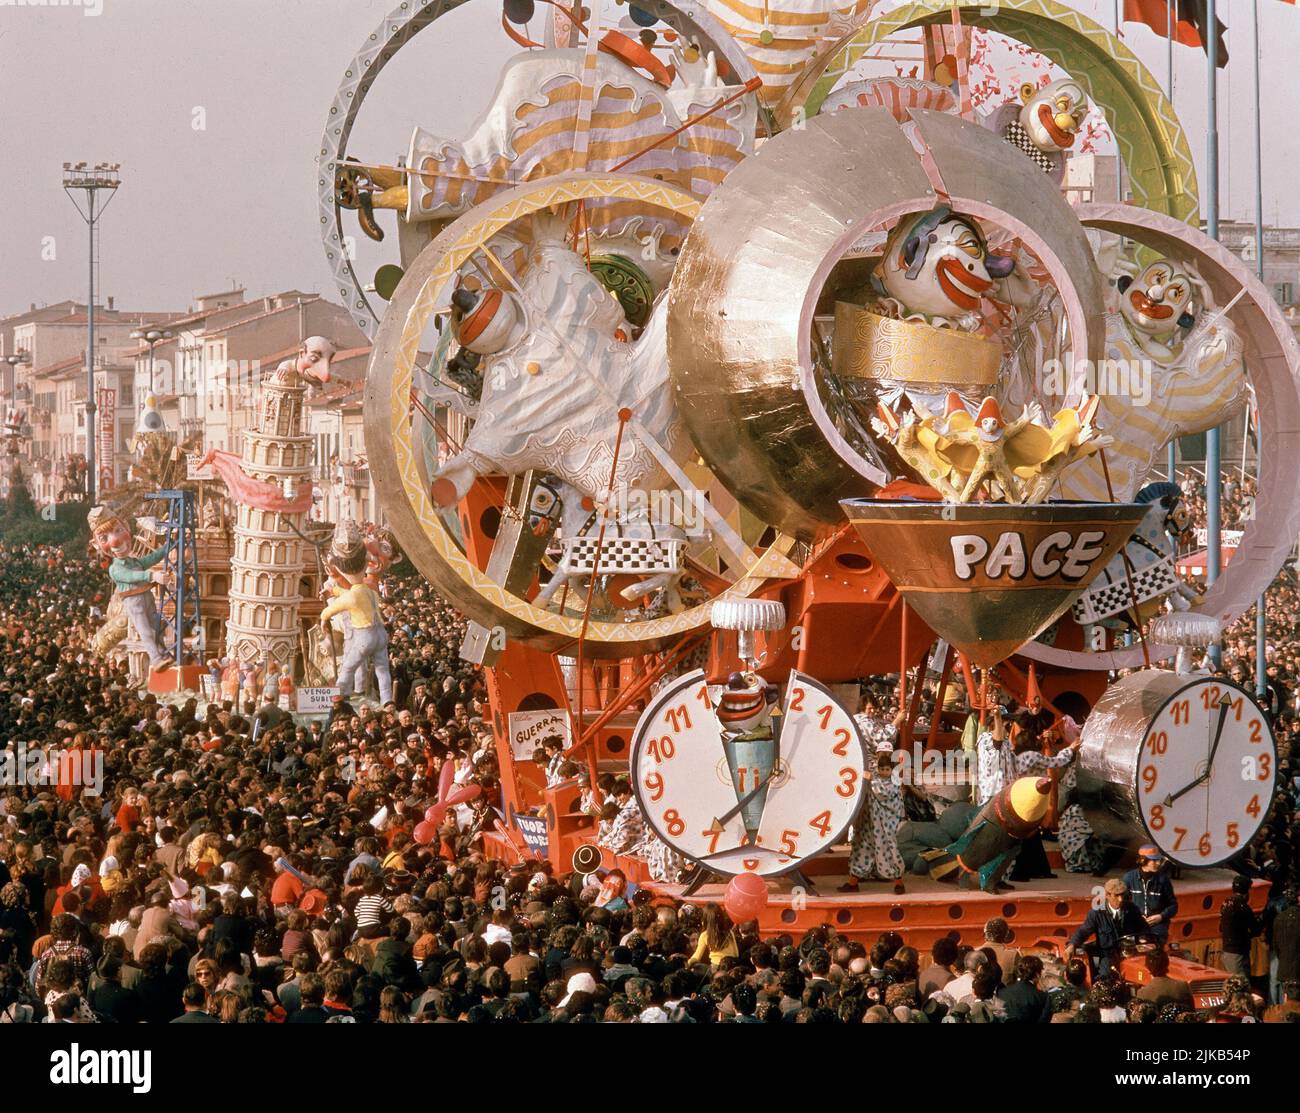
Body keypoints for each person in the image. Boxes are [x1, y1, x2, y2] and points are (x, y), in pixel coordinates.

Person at [1065, 877, 1148, 976]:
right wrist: (1072, 945)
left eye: (1122, 895)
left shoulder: (1132, 909)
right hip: (1108, 954)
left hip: (1131, 951)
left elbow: (1144, 928)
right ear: (1107, 895)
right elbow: (1084, 931)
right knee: (1106, 975)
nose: (1121, 899)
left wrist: (1144, 940)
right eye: (1116, 896)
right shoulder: (1097, 913)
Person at [1122, 845, 1178, 944]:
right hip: (1136, 923)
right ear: (1143, 860)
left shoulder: (1163, 880)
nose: (1158, 863)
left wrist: (1161, 916)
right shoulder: (1129, 878)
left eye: (1159, 860)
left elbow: (1173, 906)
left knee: (1156, 947)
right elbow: (1122, 904)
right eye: (1154, 860)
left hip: (1158, 925)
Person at [1218, 873, 1262, 977]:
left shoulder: (1225, 903)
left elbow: (1221, 927)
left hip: (1227, 951)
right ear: (1246, 891)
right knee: (1241, 986)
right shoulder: (1242, 907)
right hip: (1238, 954)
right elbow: (1256, 929)